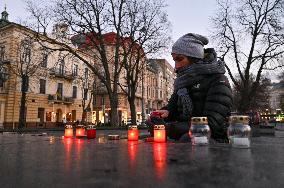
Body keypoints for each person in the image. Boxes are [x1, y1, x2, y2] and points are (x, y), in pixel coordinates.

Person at [147, 33, 233, 142]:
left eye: (180, 59)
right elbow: (172, 109)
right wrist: (160, 117)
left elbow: (212, 125)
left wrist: (168, 129)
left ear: (194, 58)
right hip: (184, 143)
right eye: (174, 60)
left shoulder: (218, 80)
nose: (176, 66)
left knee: (187, 139)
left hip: (213, 143)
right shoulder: (182, 82)